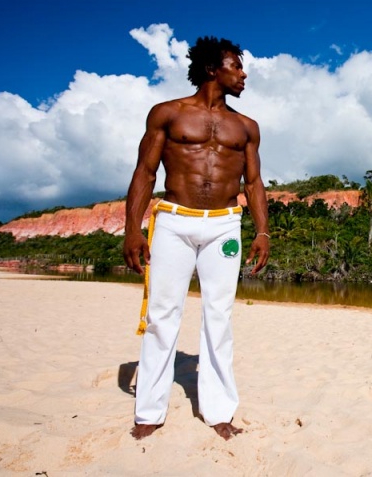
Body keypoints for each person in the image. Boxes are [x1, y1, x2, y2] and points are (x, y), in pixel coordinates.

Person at [123, 36, 270, 441]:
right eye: (236, 66)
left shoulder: (246, 127)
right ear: (212, 70)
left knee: (219, 317)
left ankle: (219, 410)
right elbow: (145, 173)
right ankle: (150, 412)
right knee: (162, 316)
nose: (243, 73)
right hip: (173, 220)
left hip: (224, 222)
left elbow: (254, 182)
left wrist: (262, 231)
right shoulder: (167, 114)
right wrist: (132, 229)